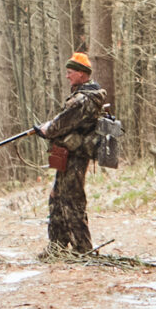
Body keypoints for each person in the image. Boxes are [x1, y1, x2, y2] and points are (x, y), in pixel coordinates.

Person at [35, 52, 109, 260]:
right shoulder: (85, 96)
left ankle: (82, 249)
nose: (67, 76)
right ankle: (57, 246)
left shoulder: (83, 99)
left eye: (70, 72)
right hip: (69, 155)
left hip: (76, 155)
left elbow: (59, 125)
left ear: (81, 74)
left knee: (72, 200)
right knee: (57, 197)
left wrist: (46, 130)